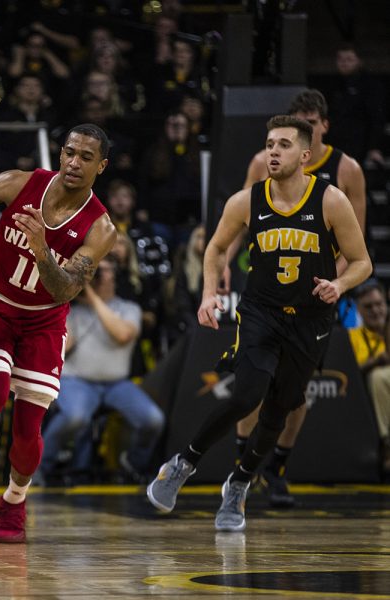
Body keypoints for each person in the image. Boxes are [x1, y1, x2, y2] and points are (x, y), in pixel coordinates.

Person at [147, 115, 372, 532]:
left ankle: (240, 483)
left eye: (284, 145)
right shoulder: (246, 200)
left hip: (310, 319)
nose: (273, 151)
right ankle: (183, 463)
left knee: (281, 408)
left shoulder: (330, 200)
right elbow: (214, 249)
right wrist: (210, 293)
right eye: (269, 143)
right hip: (261, 312)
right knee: (246, 394)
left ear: (305, 156)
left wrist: (339, 284)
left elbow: (363, 262)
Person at [0, 124, 117, 543]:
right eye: (70, 152)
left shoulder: (101, 228)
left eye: (86, 157)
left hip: (43, 319)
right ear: (61, 153)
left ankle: (13, 503)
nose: (75, 162)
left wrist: (41, 249)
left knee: (26, 429)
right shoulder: (22, 183)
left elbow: (66, 289)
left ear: (101, 166)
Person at [232, 88, 368, 507]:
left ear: (322, 127)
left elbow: (354, 246)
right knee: (252, 384)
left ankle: (277, 468)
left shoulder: (346, 169)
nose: (300, 128)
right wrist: (221, 268)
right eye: (296, 120)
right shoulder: (262, 163)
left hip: (317, 295)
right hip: (267, 291)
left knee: (296, 391)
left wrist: (333, 284)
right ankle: (243, 469)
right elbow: (241, 220)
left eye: (309, 120)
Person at [38, 255, 164, 484]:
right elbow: (61, 348)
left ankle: (133, 464)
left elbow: (123, 335)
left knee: (153, 419)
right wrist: (69, 295)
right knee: (75, 417)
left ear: (114, 276)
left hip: (117, 383)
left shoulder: (129, 309)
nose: (95, 275)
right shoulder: (72, 311)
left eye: (102, 271)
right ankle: (38, 467)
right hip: (76, 380)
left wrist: (93, 298)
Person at [346, 280, 389, 477]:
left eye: (379, 304)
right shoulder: (351, 337)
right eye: (368, 307)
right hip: (363, 397)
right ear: (359, 310)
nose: (375, 310)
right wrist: (376, 361)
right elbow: (348, 373)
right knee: (378, 376)